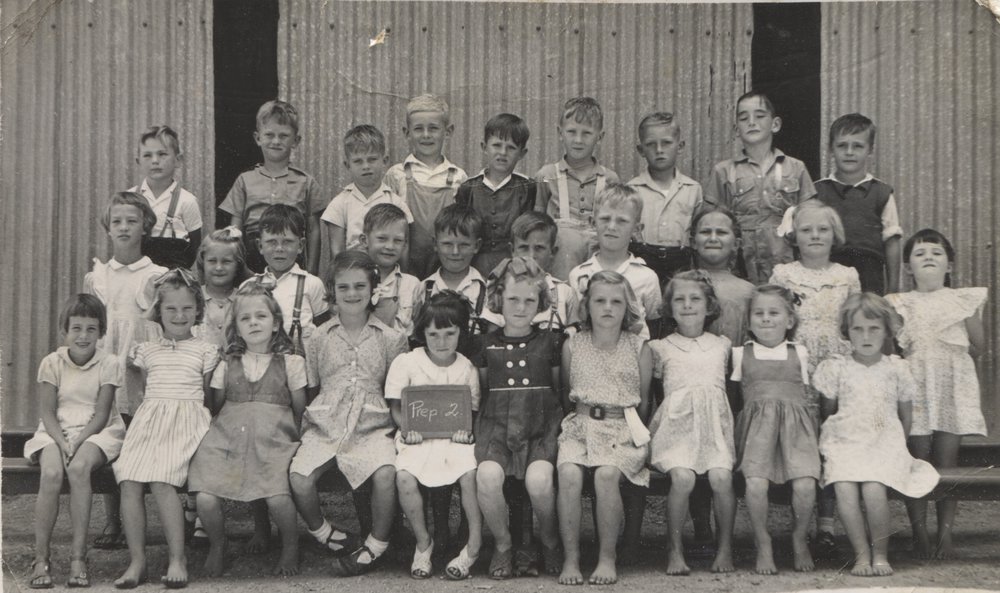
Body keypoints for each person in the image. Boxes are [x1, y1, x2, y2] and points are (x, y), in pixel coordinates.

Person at [288, 251, 408, 576]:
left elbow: (397, 390)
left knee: (386, 474)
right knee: (299, 478)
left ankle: (377, 544)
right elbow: (313, 386)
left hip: (372, 423)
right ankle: (328, 534)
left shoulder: (391, 338)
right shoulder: (317, 337)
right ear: (332, 290)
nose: (352, 294)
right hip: (326, 422)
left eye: (360, 286)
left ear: (373, 290)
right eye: (344, 287)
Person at [814, 293, 939, 576]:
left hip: (884, 443)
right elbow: (829, 410)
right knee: (844, 489)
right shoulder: (837, 367)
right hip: (846, 441)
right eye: (858, 329)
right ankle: (861, 556)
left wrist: (894, 445)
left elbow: (906, 415)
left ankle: (880, 555)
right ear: (847, 332)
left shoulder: (896, 368)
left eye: (874, 328)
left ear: (886, 331)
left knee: (873, 488)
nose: (866, 335)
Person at [188, 284, 306, 577]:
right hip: (229, 434)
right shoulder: (227, 364)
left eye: (261, 316)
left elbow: (299, 408)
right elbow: (215, 405)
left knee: (276, 495)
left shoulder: (291, 363)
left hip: (274, 436)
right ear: (236, 328)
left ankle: (290, 546)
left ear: (276, 323)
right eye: (245, 318)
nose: (253, 322)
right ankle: (218, 544)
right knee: (205, 495)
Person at [111, 269, 220, 589]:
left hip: (186, 420)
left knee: (162, 481)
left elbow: (207, 397)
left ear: (198, 310)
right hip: (150, 420)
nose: (179, 315)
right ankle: (138, 562)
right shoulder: (147, 350)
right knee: (129, 479)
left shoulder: (204, 349)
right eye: (171, 308)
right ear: (158, 312)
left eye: (187, 308)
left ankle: (177, 558)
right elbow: (144, 391)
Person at [886, 229, 988, 559]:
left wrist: (966, 312)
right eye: (919, 253)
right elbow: (894, 350)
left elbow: (979, 347)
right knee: (917, 460)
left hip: (950, 389)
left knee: (948, 463)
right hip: (915, 386)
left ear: (949, 265)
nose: (928, 257)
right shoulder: (899, 303)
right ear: (907, 268)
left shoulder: (964, 299)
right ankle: (919, 533)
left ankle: (946, 534)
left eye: (936, 252)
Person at [770, 199, 861, 556]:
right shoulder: (784, 275)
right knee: (803, 445)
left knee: (832, 441)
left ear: (834, 234)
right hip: (801, 368)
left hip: (837, 367)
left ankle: (826, 524)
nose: (815, 236)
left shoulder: (847, 275)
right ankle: (800, 525)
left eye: (822, 229)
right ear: (795, 236)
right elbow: (775, 320)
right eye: (807, 230)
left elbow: (856, 323)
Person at [25, 295, 126, 589]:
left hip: (97, 430)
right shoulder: (52, 362)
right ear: (64, 331)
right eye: (77, 328)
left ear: (101, 332)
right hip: (56, 429)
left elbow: (103, 413)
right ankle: (41, 557)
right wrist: (63, 442)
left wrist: (79, 441)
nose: (83, 336)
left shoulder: (109, 363)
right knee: (53, 473)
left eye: (91, 329)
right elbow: (46, 412)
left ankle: (78, 557)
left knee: (79, 469)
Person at [557, 271, 652, 586]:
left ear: (628, 308)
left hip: (621, 429)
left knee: (606, 474)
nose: (608, 308)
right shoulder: (574, 344)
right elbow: (565, 394)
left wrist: (626, 427)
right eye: (600, 300)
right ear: (587, 305)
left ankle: (606, 558)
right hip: (581, 426)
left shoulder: (638, 346)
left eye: (616, 302)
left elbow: (644, 401)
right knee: (569, 473)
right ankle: (571, 559)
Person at [83, 191, 166, 552]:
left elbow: (158, 326)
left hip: (141, 370)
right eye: (117, 221)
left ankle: (152, 520)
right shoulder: (97, 275)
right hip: (108, 367)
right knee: (110, 438)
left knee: (141, 440)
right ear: (107, 227)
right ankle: (113, 519)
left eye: (132, 220)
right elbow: (89, 325)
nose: (124, 227)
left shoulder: (157, 275)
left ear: (146, 225)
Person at [473, 258, 563, 579]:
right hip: (497, 427)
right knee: (487, 476)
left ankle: (550, 540)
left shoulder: (551, 342)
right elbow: (485, 391)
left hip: (540, 427)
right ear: (498, 300)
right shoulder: (486, 344)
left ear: (540, 303)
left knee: (539, 481)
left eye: (529, 300)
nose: (521, 307)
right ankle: (503, 544)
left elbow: (556, 388)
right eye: (513, 299)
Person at [386, 291, 483, 580]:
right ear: (422, 333)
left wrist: (466, 432)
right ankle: (423, 543)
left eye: (449, 334)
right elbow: (396, 406)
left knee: (469, 474)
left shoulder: (466, 367)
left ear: (460, 333)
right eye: (434, 334)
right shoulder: (408, 362)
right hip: (417, 438)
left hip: (453, 440)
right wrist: (407, 429)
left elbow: (471, 411)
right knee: (404, 476)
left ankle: (473, 545)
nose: (442, 342)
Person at [648, 270, 736, 575]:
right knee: (683, 479)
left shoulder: (722, 345)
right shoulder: (661, 347)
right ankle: (675, 551)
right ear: (669, 307)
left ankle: (724, 549)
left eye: (695, 299)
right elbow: (658, 395)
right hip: (677, 431)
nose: (687, 305)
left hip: (714, 432)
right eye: (679, 299)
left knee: (722, 479)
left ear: (709, 306)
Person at [731, 284, 819, 575]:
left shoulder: (800, 353)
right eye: (759, 313)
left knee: (806, 484)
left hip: (796, 432)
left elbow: (809, 397)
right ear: (749, 320)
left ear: (790, 320)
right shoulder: (740, 354)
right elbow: (735, 399)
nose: (766, 319)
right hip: (757, 432)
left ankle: (799, 537)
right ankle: (763, 541)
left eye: (774, 313)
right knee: (755, 485)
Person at [704, 91, 817, 284]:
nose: (751, 122)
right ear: (736, 129)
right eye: (743, 118)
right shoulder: (723, 171)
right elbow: (711, 223)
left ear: (775, 124)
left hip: (786, 266)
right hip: (739, 268)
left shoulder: (796, 168)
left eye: (759, 116)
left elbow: (811, 220)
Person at [219, 100, 324, 273]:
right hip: (253, 259)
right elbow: (235, 231)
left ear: (296, 141)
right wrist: (241, 270)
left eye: (283, 136)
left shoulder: (306, 182)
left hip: (292, 255)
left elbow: (313, 231)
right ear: (257, 138)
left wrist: (311, 272)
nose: (276, 141)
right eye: (269, 135)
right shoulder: (245, 180)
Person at [812, 113, 903, 294]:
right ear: (831, 149)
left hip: (869, 275)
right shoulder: (817, 191)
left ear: (870, 149)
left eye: (858, 146)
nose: (849, 152)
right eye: (842, 145)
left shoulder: (881, 193)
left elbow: (892, 242)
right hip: (828, 272)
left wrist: (893, 290)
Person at [535, 97, 620, 280]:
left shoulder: (610, 179)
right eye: (571, 132)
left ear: (600, 137)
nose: (578, 140)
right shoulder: (547, 175)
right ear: (560, 133)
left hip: (598, 260)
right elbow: (537, 224)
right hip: (561, 263)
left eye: (587, 133)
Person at [384, 94, 468, 278]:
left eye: (433, 128)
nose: (426, 135)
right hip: (405, 263)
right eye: (418, 129)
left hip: (445, 263)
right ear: (407, 133)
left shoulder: (458, 176)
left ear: (448, 131)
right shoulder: (397, 174)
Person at [568, 183, 662, 339]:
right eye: (605, 219)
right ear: (593, 222)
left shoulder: (647, 277)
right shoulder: (578, 274)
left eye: (622, 221)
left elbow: (655, 322)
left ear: (636, 229)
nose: (611, 226)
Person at [455, 113, 536, 275]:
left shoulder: (528, 188)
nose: (503, 152)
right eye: (496, 145)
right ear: (484, 147)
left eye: (511, 147)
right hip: (474, 265)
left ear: (522, 153)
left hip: (513, 266)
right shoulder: (468, 188)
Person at [628, 112, 702, 288]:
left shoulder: (693, 189)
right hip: (642, 263)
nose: (659, 150)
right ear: (641, 150)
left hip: (681, 264)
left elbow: (697, 236)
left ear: (680, 146)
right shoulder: (632, 190)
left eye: (666, 143)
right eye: (651, 144)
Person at [321, 124, 413, 267]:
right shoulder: (340, 204)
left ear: (385, 160)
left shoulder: (396, 203)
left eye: (372, 159)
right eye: (358, 161)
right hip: (353, 275)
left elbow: (404, 248)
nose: (366, 166)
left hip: (388, 275)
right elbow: (336, 251)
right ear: (347, 165)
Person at [241, 204, 330, 351]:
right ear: (260, 246)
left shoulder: (312, 284)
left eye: (287, 242)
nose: (279, 249)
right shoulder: (248, 286)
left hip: (301, 367)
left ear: (301, 245)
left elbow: (325, 332)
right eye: (271, 242)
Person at [412, 204, 492, 352]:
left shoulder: (487, 290)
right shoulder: (423, 289)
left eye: (464, 245)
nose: (455, 252)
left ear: (477, 245)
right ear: (435, 244)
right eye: (447, 244)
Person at [129, 125, 203, 268]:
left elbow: (195, 247)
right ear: (138, 161)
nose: (155, 161)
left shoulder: (187, 201)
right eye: (147, 155)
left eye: (162, 154)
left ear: (178, 160)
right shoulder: (130, 199)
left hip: (173, 279)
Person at [509, 212, 579, 333]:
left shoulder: (565, 293)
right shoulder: (500, 289)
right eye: (524, 248)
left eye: (539, 248)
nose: (531, 256)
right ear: (512, 250)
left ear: (552, 252)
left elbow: (573, 338)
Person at [361, 203, 421, 335]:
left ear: (405, 244)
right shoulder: (353, 281)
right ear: (364, 240)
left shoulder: (412, 285)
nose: (389, 246)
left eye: (398, 240)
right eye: (382, 238)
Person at [193, 227, 251, 352]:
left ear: (238, 264)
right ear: (203, 262)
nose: (218, 267)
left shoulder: (244, 300)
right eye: (212, 261)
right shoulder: (192, 297)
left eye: (226, 261)